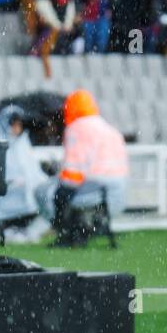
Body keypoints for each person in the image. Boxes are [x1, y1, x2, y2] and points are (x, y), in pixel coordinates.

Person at [35, 90, 130, 243]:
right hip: (118, 190)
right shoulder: (107, 127)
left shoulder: (76, 129)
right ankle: (80, 228)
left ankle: (65, 231)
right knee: (63, 191)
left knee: (46, 191)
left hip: (95, 187)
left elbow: (73, 171)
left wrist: (58, 180)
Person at [0, 105, 49, 242]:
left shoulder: (21, 143)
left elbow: (33, 171)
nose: (17, 129)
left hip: (23, 194)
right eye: (14, 125)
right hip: (2, 196)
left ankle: (23, 228)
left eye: (20, 125)